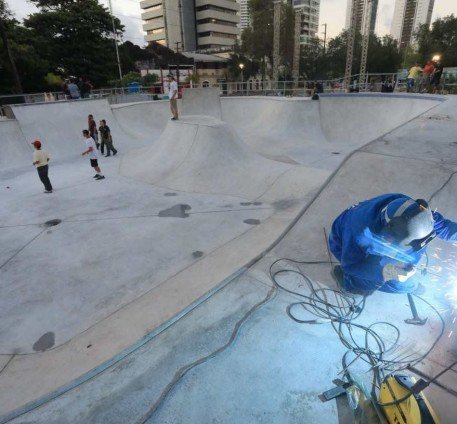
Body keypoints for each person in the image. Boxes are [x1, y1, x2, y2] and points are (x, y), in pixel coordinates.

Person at [329, 194, 457, 295]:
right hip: (343, 245)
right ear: (389, 236)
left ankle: (407, 286)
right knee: (374, 284)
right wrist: (384, 273)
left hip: (382, 235)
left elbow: (445, 228)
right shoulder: (359, 235)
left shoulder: (414, 210)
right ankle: (348, 282)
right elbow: (351, 266)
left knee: (405, 281)